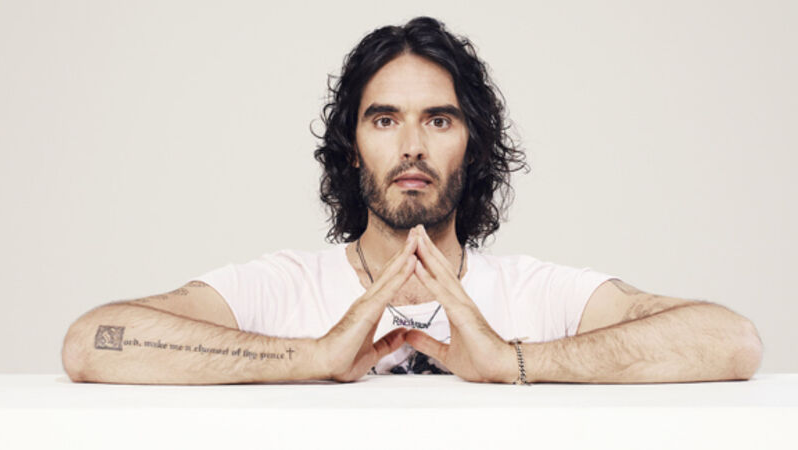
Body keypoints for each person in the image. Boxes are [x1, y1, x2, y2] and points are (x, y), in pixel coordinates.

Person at [62, 17, 763, 385]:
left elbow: (731, 341)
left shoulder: (536, 294)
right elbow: (93, 342)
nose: (411, 147)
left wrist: (513, 362)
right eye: (384, 119)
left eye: (439, 119)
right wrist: (311, 356)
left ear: (473, 147)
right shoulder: (281, 289)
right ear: (351, 148)